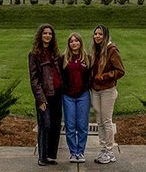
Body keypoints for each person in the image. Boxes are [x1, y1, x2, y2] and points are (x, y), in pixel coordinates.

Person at [89, 24, 124, 164]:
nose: (97, 36)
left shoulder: (111, 50)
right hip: (95, 90)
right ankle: (103, 148)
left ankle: (109, 151)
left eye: (100, 34)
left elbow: (120, 71)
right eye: (95, 34)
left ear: (105, 36)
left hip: (107, 90)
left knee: (106, 120)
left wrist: (103, 76)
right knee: (99, 121)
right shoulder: (95, 50)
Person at [28, 23, 63, 166]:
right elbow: (34, 79)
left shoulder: (55, 53)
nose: (47, 36)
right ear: (40, 36)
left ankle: (50, 155)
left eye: (50, 33)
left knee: (55, 125)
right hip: (45, 95)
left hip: (57, 93)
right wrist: (40, 99)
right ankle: (42, 156)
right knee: (45, 125)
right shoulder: (34, 54)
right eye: (45, 33)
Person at [60, 32, 92, 163]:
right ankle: (73, 152)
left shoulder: (87, 58)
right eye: (71, 41)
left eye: (76, 41)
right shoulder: (64, 59)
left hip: (83, 95)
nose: (74, 43)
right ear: (69, 44)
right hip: (68, 96)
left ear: (80, 42)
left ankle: (81, 152)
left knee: (83, 125)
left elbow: (90, 76)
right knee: (70, 125)